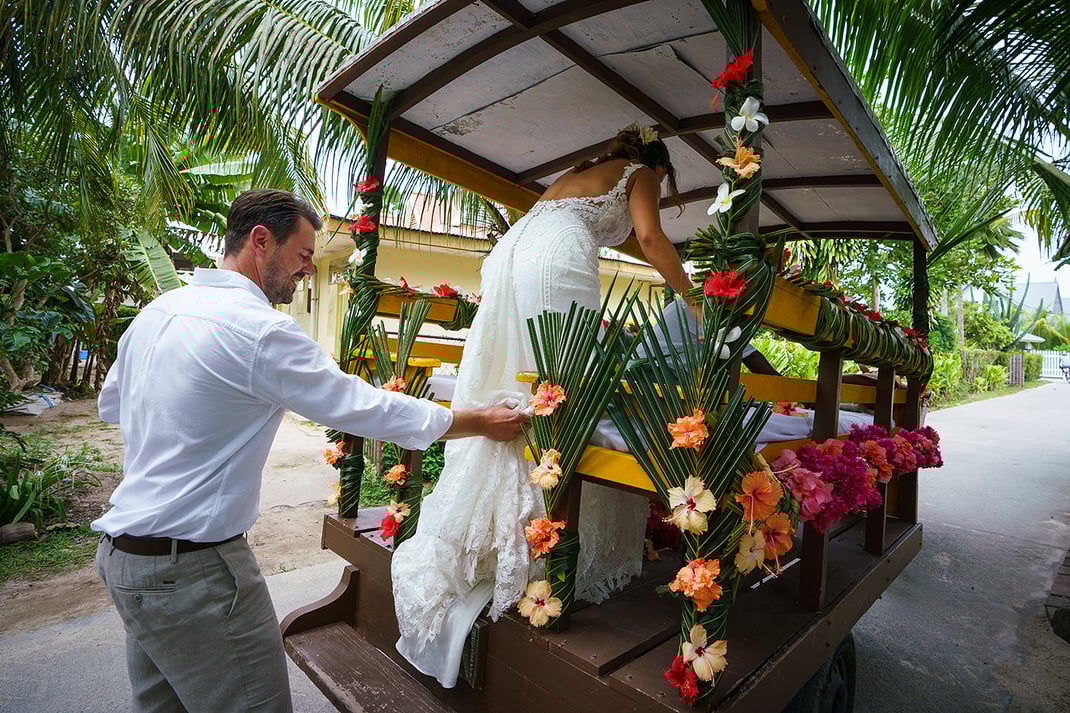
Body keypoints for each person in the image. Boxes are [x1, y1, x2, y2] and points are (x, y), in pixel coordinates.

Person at [92, 189, 528, 713]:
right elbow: (363, 408)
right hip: (194, 573)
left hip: (125, 560)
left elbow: (112, 404)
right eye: (302, 257)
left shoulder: (158, 313)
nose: (306, 272)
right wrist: (479, 421)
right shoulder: (259, 331)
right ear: (260, 241)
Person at [391, 125, 695, 687]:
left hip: (512, 250)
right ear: (655, 162)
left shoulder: (576, 175)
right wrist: (692, 297)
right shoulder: (642, 175)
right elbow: (650, 240)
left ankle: (493, 538)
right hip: (556, 255)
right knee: (560, 387)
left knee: (516, 375)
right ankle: (539, 536)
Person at [637, 295, 781, 376]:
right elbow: (751, 358)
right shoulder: (701, 308)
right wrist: (787, 391)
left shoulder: (699, 301)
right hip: (653, 372)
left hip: (654, 370)